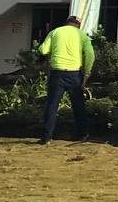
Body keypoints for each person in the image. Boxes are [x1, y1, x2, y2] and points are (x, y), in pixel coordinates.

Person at [36, 13, 95, 144]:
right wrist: (86, 73)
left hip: (57, 73)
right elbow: (90, 54)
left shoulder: (55, 32)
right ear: (78, 25)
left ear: (66, 22)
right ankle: (82, 134)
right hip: (75, 74)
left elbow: (43, 50)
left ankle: (46, 137)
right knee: (78, 105)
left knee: (52, 105)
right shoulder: (82, 35)